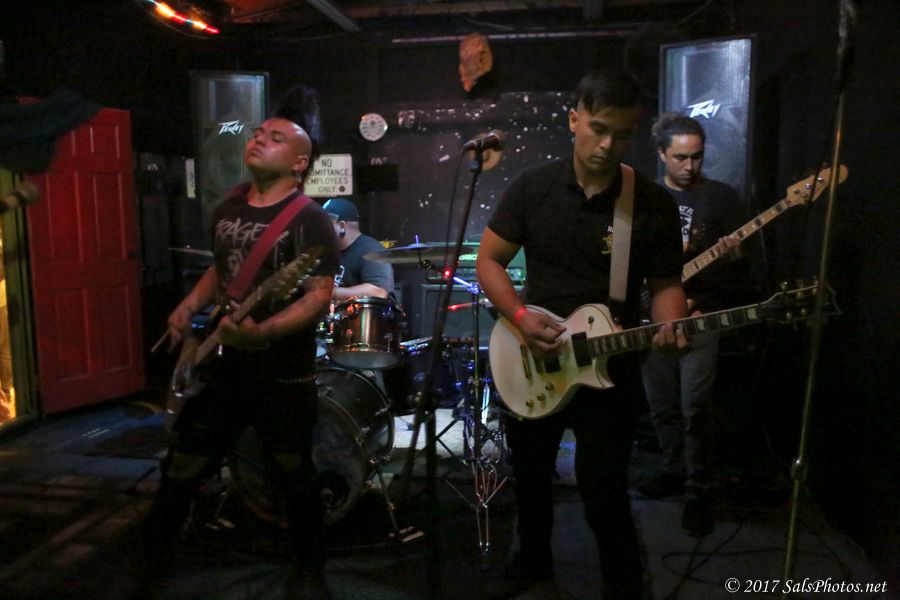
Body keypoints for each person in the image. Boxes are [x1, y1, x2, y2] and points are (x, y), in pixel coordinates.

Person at [476, 68, 689, 600]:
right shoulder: (533, 188)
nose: (608, 145)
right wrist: (520, 318)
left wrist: (671, 322)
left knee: (604, 489)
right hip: (534, 354)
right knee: (530, 478)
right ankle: (533, 564)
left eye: (623, 134)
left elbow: (666, 283)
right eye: (598, 128)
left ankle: (623, 582)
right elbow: (488, 261)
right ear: (574, 119)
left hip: (612, 364)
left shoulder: (651, 203)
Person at [141, 86, 340, 600]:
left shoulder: (310, 219)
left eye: (275, 138)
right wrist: (189, 305)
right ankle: (151, 560)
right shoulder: (229, 204)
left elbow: (318, 294)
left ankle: (311, 568)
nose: (259, 139)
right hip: (223, 362)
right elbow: (222, 269)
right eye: (258, 132)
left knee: (293, 469)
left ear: (299, 163)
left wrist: (264, 332)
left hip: (283, 370)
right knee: (184, 461)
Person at [637, 113, 746, 537]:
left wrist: (735, 256)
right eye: (680, 157)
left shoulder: (722, 199)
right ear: (661, 154)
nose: (689, 165)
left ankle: (699, 491)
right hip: (650, 317)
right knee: (661, 404)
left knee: (696, 406)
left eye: (696, 157)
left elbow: (744, 275)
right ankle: (672, 471)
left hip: (702, 316)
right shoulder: (644, 197)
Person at [322, 196, 394, 301]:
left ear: (342, 226)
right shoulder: (327, 251)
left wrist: (331, 293)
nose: (321, 230)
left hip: (359, 311)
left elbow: (378, 291)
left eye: (325, 224)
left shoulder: (371, 249)